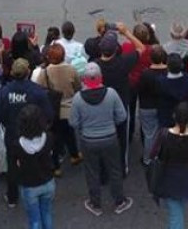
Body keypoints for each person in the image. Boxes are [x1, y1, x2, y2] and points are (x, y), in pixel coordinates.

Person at [70, 63, 131, 216]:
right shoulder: (111, 93)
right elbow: (122, 116)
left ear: (84, 79)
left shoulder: (78, 98)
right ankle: (119, 201)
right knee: (115, 170)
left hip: (88, 140)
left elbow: (74, 123)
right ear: (101, 78)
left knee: (92, 172)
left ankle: (95, 203)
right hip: (110, 138)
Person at [0, 58, 53, 207]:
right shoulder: (37, 91)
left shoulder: (4, 91)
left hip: (13, 134)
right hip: (35, 134)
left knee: (12, 165)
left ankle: (12, 196)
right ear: (28, 72)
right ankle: (38, 190)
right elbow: (49, 114)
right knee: (39, 160)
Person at [149, 101, 188, 229]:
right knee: (178, 211)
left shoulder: (163, 134)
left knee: (175, 214)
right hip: (187, 180)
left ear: (174, 116)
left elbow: (152, 155)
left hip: (168, 179)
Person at [11, 105, 56, 229]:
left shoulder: (17, 145)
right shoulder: (49, 137)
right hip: (48, 181)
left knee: (34, 219)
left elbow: (16, 163)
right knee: (46, 213)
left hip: (29, 185)